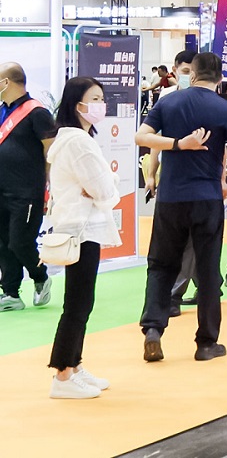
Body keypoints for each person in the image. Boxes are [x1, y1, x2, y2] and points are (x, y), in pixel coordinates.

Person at [136, 52, 227, 362]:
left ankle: (153, 328)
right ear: (220, 78)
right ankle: (206, 343)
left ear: (192, 74)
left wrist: (175, 144)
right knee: (208, 270)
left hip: (170, 197)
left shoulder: (169, 102)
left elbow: (141, 137)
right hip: (207, 198)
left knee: (161, 264)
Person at [47, 77, 122, 399]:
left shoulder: (74, 139)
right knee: (77, 304)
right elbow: (104, 191)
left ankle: (74, 365)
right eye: (95, 99)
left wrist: (105, 184)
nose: (100, 105)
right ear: (77, 104)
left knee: (81, 302)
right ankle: (63, 374)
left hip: (80, 228)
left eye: (102, 98)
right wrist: (109, 183)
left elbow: (101, 188)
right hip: (81, 230)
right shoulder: (78, 142)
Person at [143, 49, 201, 317]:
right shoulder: (166, 98)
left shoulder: (206, 98)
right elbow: (154, 140)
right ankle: (206, 286)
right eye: (185, 71)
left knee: (192, 239)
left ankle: (175, 294)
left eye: (194, 71)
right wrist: (150, 175)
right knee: (180, 239)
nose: (190, 76)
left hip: (200, 177)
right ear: (175, 70)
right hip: (171, 176)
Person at [0, 62, 55, 312]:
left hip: (27, 192)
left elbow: (51, 150)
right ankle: (11, 293)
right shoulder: (2, 110)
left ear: (6, 82)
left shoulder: (37, 113)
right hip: (2, 189)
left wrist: (48, 183)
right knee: (3, 243)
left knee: (19, 242)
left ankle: (41, 276)